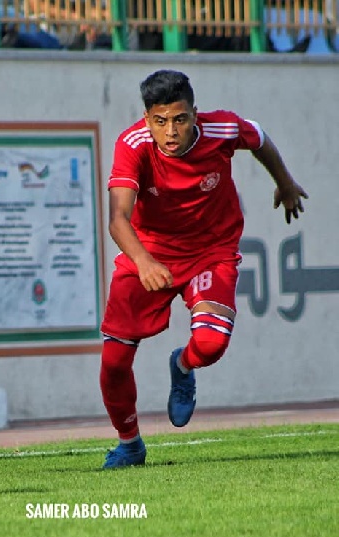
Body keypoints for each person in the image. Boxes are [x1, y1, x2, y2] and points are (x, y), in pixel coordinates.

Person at [100, 69, 308, 469]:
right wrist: (143, 261)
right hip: (150, 253)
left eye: (180, 119)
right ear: (147, 120)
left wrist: (284, 182)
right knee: (113, 362)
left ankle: (182, 364)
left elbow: (260, 140)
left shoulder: (223, 128)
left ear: (195, 114)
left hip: (211, 251)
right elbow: (118, 219)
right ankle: (129, 444)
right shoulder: (133, 145)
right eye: (160, 122)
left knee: (211, 345)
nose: (171, 131)